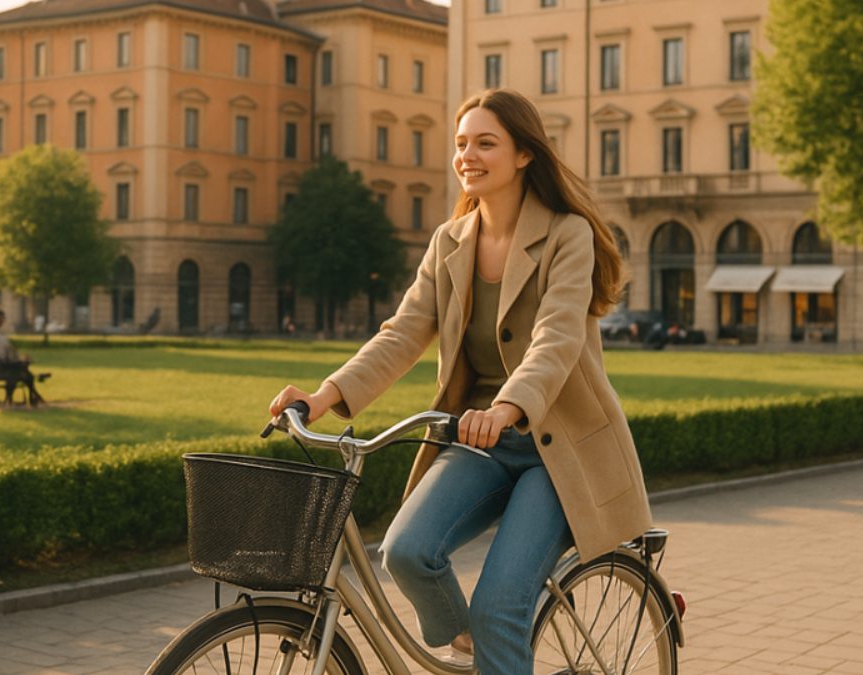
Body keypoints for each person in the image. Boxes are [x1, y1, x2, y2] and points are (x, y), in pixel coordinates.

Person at [268, 89, 653, 674]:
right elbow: (402, 333)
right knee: (407, 552)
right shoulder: (450, 242)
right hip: (480, 440)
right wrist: (325, 397)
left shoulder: (566, 235)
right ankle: (477, 644)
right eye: (461, 144)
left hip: (559, 448)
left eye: (485, 143)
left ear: (525, 154)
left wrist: (505, 408)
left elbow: (556, 338)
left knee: (500, 605)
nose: (467, 155)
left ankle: (495, 635)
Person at [0, 305, 45, 406]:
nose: (1, 321)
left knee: (25, 372)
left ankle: (23, 396)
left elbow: (7, 351)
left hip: (3, 364)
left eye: (2, 319)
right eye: (0, 318)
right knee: (23, 372)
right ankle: (32, 396)